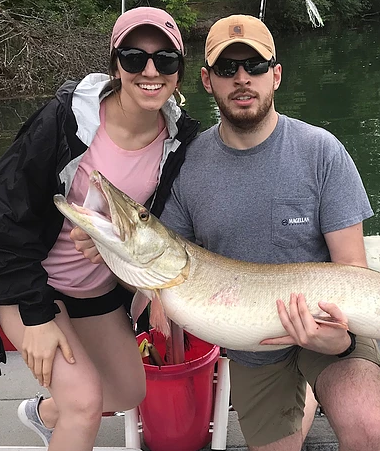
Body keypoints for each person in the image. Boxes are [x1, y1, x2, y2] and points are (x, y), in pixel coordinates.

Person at [158, 15, 380, 451]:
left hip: (332, 323)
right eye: (228, 69)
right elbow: (169, 265)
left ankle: (316, 387)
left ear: (277, 75)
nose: (243, 79)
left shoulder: (322, 151)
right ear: (208, 81)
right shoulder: (186, 166)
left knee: (368, 429)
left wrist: (339, 338)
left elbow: (351, 270)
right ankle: (303, 398)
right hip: (253, 346)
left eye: (256, 66)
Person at [0, 7, 199, 451]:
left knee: (129, 391)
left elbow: (170, 223)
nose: (150, 71)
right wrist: (35, 317)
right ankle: (69, 409)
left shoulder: (181, 139)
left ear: (179, 74)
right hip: (28, 286)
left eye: (165, 60)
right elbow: (6, 216)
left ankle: (43, 412)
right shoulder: (65, 122)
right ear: (115, 65)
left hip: (94, 289)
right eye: (133, 57)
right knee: (85, 404)